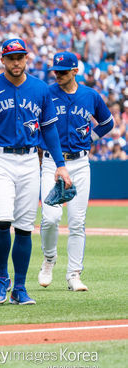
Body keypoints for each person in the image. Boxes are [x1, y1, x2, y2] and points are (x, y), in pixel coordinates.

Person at [0, 38, 72, 306]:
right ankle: (2, 279)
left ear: (26, 58)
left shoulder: (40, 89)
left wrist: (60, 164)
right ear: (3, 60)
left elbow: (50, 130)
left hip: (31, 159)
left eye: (20, 57)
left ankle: (19, 288)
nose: (16, 62)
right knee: (2, 220)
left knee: (23, 227)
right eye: (11, 58)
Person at [38, 52, 114, 292]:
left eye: (63, 71)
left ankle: (73, 275)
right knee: (50, 218)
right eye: (55, 71)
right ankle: (49, 259)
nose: (58, 75)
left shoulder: (90, 95)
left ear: (75, 71)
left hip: (80, 163)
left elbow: (108, 122)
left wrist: (91, 138)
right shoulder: (47, 93)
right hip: (52, 162)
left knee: (77, 222)